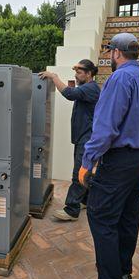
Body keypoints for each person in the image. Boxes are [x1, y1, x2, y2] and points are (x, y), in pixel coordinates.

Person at [78, 33, 139, 279]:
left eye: (110, 52)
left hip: (121, 159)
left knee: (101, 216)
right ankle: (122, 275)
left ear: (115, 53)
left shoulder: (119, 79)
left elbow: (105, 127)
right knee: (126, 218)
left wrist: (87, 162)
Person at [39, 59, 100, 221]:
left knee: (78, 174)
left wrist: (54, 77)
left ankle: (72, 209)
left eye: (79, 72)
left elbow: (69, 94)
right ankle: (85, 200)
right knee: (84, 172)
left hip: (87, 139)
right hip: (83, 138)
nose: (76, 75)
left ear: (89, 74)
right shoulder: (86, 88)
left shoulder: (91, 88)